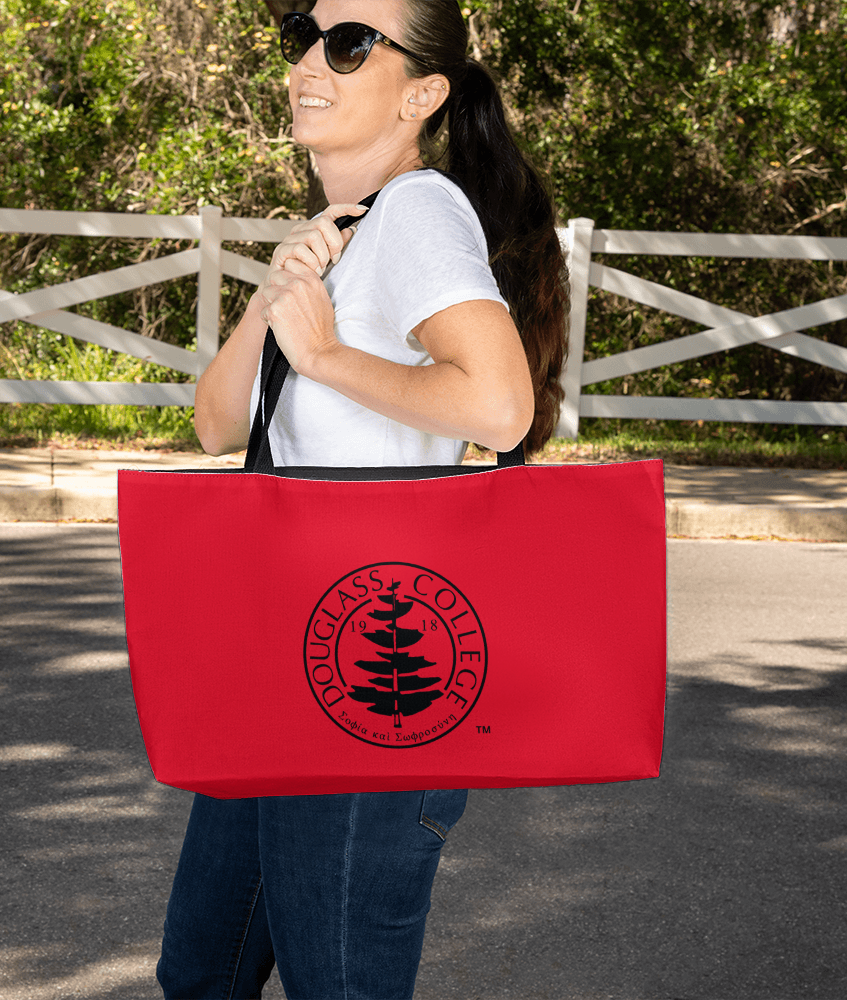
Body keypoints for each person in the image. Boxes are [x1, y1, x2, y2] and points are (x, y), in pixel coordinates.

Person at [157, 1, 567, 997]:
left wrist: (331, 355)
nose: (310, 58)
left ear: (422, 93)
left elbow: (499, 404)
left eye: (349, 43)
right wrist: (279, 291)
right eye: (303, 31)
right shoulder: (345, 232)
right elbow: (216, 425)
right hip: (280, 654)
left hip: (368, 665)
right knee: (200, 969)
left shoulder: (420, 211)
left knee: (338, 982)